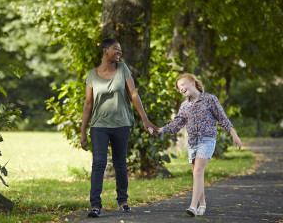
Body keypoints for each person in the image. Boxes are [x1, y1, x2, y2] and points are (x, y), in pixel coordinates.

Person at [80, 38, 159, 218]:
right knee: (99, 163)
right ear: (105, 50)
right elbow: (88, 104)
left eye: (120, 49)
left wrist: (145, 120)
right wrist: (83, 131)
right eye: (116, 49)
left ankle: (123, 201)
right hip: (99, 126)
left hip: (121, 124)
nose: (119, 52)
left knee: (120, 163)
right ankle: (95, 206)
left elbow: (133, 94)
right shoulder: (91, 75)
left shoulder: (122, 69)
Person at [157, 73, 242, 217]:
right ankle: (202, 205)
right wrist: (161, 130)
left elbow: (222, 119)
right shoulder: (184, 106)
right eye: (179, 88)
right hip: (192, 143)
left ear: (193, 82)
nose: (181, 89)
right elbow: (176, 124)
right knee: (198, 175)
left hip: (207, 140)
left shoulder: (210, 99)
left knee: (197, 172)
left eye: (183, 85)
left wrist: (234, 135)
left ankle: (192, 206)